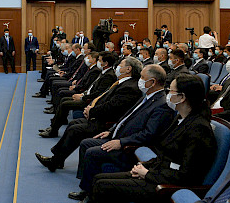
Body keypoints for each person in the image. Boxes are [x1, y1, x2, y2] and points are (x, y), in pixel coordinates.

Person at [88, 74, 217, 203]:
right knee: (98, 178)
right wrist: (144, 165)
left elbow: (187, 175)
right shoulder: (181, 118)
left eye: (171, 91)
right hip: (158, 172)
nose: (167, 94)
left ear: (182, 97)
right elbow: (164, 153)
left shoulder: (199, 128)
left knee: (102, 185)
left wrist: (147, 174)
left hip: (167, 185)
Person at [70, 65, 174, 201]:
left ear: (153, 82)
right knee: (86, 143)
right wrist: (111, 131)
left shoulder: (161, 104)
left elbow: (148, 134)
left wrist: (121, 142)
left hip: (129, 147)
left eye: (142, 77)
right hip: (118, 137)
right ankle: (86, 187)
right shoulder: (147, 96)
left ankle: (89, 194)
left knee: (92, 152)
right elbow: (126, 117)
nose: (140, 80)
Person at [35, 57, 142, 170]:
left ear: (128, 69)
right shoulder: (121, 83)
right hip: (100, 116)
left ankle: (55, 161)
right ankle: (58, 160)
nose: (117, 67)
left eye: (120, 65)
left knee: (75, 129)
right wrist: (91, 108)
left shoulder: (130, 87)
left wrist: (91, 111)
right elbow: (104, 99)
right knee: (74, 124)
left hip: (107, 123)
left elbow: (112, 107)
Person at [39, 53, 118, 138]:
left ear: (106, 63)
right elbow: (91, 88)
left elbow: (99, 93)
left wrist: (82, 97)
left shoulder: (109, 75)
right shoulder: (104, 72)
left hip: (90, 101)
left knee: (65, 104)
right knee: (64, 100)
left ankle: (53, 131)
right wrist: (82, 94)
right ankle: (54, 126)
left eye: (99, 60)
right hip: (86, 95)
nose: (98, 62)